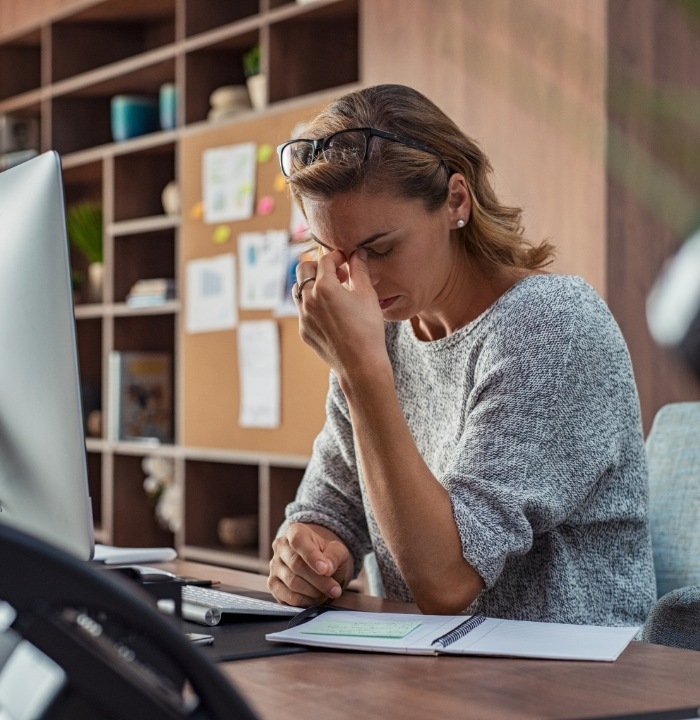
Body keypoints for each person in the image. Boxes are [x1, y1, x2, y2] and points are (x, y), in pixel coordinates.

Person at [267, 83, 656, 625]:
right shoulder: (384, 335)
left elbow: (447, 581)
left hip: (574, 684)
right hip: (435, 674)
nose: (359, 279)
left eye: (380, 249)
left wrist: (360, 370)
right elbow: (332, 506)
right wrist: (308, 552)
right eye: (336, 254)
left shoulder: (551, 326)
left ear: (456, 200)